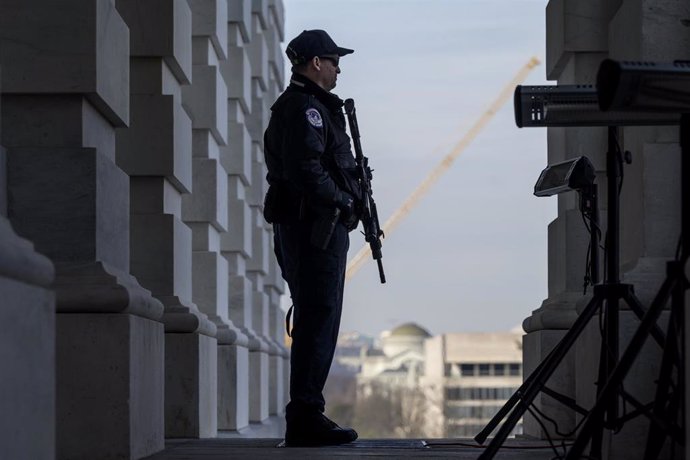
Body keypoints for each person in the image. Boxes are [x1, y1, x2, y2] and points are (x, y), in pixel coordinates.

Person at [263, 29, 362, 447]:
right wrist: (343, 201)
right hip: (313, 228)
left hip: (311, 227)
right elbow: (306, 171)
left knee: (317, 318)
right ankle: (304, 416)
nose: (339, 67)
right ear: (316, 63)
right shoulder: (306, 109)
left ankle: (307, 412)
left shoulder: (312, 107)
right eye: (333, 60)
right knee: (318, 318)